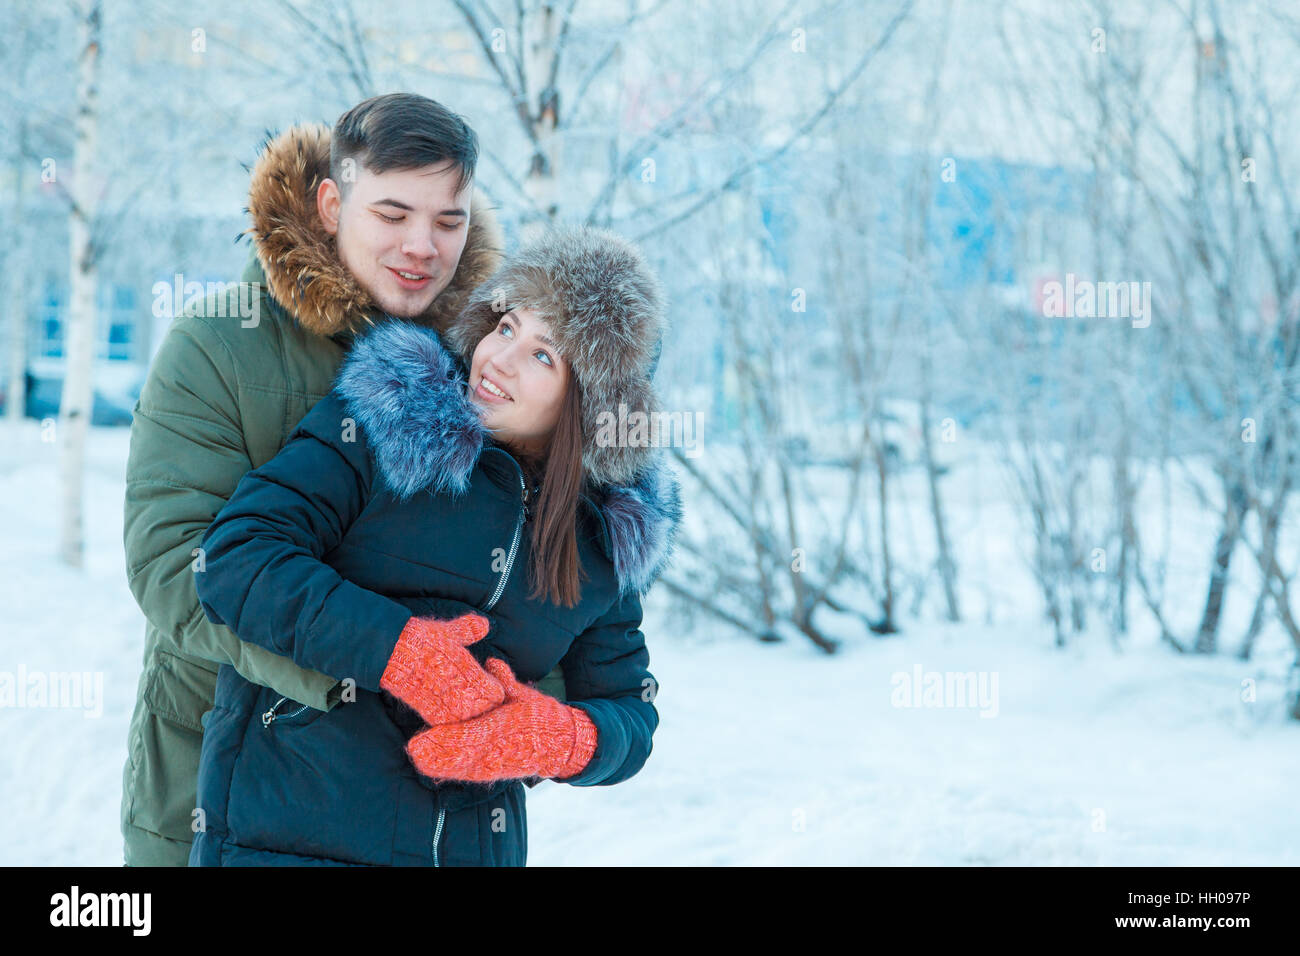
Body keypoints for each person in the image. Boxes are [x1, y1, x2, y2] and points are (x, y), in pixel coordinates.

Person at [188, 225, 681, 866]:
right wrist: (399, 651)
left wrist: (560, 738)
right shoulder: (389, 419)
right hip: (287, 836)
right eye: (506, 327)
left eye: (542, 355)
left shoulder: (603, 535)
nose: (499, 360)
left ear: (588, 402)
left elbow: (630, 712)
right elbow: (237, 557)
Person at [120, 93, 515, 866]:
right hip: (223, 783)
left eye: (448, 220)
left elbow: (522, 558)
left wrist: (540, 706)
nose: (422, 246)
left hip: (423, 806)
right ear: (332, 204)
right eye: (393, 214)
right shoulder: (218, 345)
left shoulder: (484, 362)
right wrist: (378, 661)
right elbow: (174, 567)